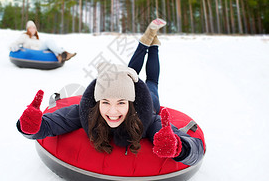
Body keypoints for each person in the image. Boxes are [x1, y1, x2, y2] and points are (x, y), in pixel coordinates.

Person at [17, 19, 204, 165]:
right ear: (97, 102)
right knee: (130, 72)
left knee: (151, 80)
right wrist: (29, 127)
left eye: (121, 103)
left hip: (149, 98)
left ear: (130, 104)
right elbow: (51, 124)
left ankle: (153, 46)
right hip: (124, 86)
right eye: (106, 102)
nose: (113, 112)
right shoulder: (86, 112)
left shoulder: (149, 120)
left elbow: (196, 149)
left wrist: (180, 148)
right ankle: (149, 39)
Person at [10, 20, 76, 63]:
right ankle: (64, 54)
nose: (32, 29)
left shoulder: (36, 38)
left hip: (40, 50)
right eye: (30, 28)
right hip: (34, 51)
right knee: (48, 41)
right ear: (27, 29)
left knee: (50, 42)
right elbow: (14, 43)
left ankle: (60, 56)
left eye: (34, 28)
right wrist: (14, 46)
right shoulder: (24, 36)